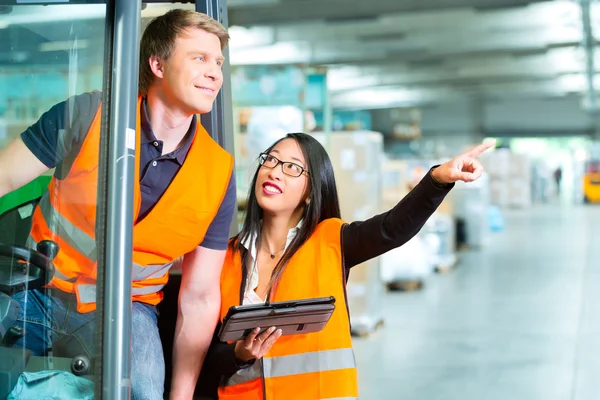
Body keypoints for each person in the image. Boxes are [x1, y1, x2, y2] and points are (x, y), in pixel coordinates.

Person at [0, 9, 235, 400]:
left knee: (142, 391)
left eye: (218, 63)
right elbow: (5, 177)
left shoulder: (219, 173)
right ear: (157, 64)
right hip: (40, 288)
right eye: (199, 58)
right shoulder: (88, 116)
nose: (215, 73)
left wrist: (180, 397)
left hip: (129, 308)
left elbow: (200, 296)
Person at [197, 133, 494, 399]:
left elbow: (392, 229)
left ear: (312, 191)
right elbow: (203, 356)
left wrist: (438, 180)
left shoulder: (332, 242)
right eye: (271, 160)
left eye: (292, 167)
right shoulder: (224, 258)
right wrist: (239, 353)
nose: (275, 171)